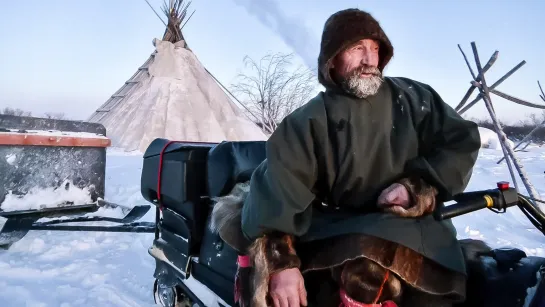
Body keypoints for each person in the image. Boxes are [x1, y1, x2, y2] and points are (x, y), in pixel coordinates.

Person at [210, 8, 481, 307]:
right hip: (340, 229)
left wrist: (416, 187)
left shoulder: (415, 99)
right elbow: (278, 191)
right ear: (333, 59)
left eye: (375, 49)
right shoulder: (309, 121)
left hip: (416, 232)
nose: (369, 60)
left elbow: (461, 141)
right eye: (357, 48)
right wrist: (282, 264)